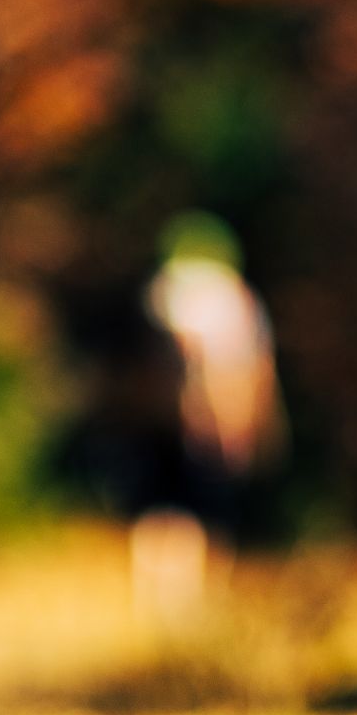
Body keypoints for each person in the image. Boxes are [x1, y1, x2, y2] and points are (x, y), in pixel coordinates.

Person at [132, 212, 283, 617]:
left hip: (170, 420)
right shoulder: (237, 300)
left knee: (170, 512)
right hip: (213, 423)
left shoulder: (163, 293)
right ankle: (191, 605)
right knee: (205, 515)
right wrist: (255, 421)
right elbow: (253, 369)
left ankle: (168, 606)